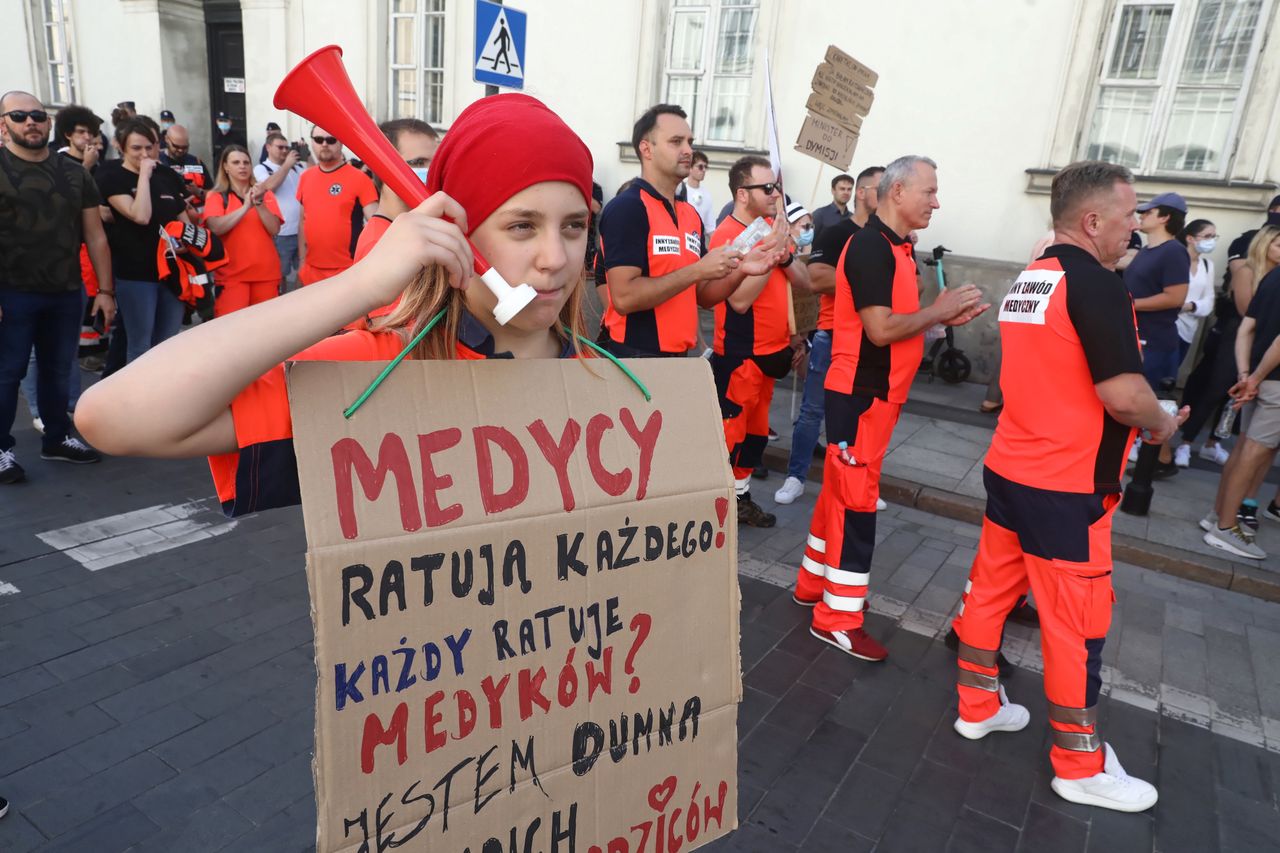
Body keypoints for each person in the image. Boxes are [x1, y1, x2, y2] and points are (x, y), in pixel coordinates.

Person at [74, 93, 604, 519]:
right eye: (521, 226)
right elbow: (111, 417)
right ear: (457, 235)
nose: (555, 258)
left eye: (574, 225)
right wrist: (359, 288)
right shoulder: (378, 370)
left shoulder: (608, 379)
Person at [951, 160, 1177, 813]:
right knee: (1074, 624)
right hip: (1066, 486)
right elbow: (1124, 394)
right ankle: (1079, 765)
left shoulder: (1033, 278)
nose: (1136, 226)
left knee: (990, 593)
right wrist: (1162, 421)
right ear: (1092, 220)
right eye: (1129, 214)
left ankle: (977, 705)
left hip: (1013, 469)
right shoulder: (1098, 287)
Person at [793, 156, 986, 662]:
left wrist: (940, 314)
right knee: (856, 507)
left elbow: (902, 318)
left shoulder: (897, 248)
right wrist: (937, 311)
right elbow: (879, 329)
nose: (937, 202)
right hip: (860, 393)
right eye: (930, 191)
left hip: (874, 394)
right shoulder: (871, 248)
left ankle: (813, 585)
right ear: (897, 192)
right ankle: (836, 619)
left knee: (840, 492)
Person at [596, 104, 774, 359]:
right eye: (676, 141)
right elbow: (624, 298)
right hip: (636, 356)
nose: (688, 150)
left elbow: (702, 295)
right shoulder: (628, 208)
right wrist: (697, 270)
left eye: (689, 142)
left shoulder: (690, 214)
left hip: (679, 356)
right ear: (646, 149)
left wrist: (742, 270)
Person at [0, 91, 114, 482]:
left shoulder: (74, 172)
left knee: (56, 371)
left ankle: (57, 437)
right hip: (11, 291)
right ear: (4, 125)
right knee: (7, 372)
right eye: (19, 115)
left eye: (37, 115)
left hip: (65, 290)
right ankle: (1, 450)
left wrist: (105, 290)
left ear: (49, 124)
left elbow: (95, 235)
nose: (30, 121)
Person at [709, 155, 809, 527]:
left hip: (772, 352)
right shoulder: (726, 236)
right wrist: (769, 254)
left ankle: (741, 498)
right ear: (741, 193)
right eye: (767, 188)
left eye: (777, 187)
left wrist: (782, 257)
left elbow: (804, 281)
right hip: (741, 353)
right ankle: (718, 505)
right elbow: (738, 299)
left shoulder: (772, 227)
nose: (775, 194)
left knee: (755, 438)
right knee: (731, 435)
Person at [775, 165, 883, 505]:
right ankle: (795, 476)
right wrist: (871, 284)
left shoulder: (890, 240)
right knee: (812, 410)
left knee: (864, 415)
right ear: (863, 193)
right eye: (882, 187)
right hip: (833, 335)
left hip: (873, 339)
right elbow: (817, 280)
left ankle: (859, 480)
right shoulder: (836, 233)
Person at [1202, 226, 1280, 559]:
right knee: (1254, 452)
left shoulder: (1273, 278)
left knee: (1245, 447)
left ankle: (1216, 517)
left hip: (1260, 379)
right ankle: (1224, 527)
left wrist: (1248, 374)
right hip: (1273, 381)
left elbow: (1247, 327)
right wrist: (1255, 376)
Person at [95, 117, 191, 363]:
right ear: (122, 148)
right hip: (136, 275)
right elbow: (141, 215)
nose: (144, 153)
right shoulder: (112, 174)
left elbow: (185, 221)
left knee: (168, 342)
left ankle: (164, 396)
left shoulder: (166, 174)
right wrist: (144, 177)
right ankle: (137, 400)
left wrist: (185, 243)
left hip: (171, 273)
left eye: (149, 147)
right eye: (136, 148)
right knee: (140, 347)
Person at [1124, 192, 1189, 477]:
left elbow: (1175, 297)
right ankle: (1161, 460)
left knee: (1149, 400)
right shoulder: (1149, 250)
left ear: (1165, 217)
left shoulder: (1174, 251)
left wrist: (1130, 305)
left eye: (1148, 212)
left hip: (1157, 340)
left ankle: (1159, 460)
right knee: (1142, 399)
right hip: (1139, 335)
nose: (1142, 215)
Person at [202, 145, 282, 316]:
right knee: (232, 332)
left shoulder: (265, 194)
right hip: (231, 276)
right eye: (236, 162)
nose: (242, 166)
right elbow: (216, 227)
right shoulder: (216, 196)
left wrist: (258, 202)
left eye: (246, 162)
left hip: (266, 274)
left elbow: (274, 228)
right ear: (225, 167)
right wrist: (245, 207)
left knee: (267, 331)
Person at [295, 126, 378, 286]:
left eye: (331, 139)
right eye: (319, 140)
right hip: (312, 270)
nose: (324, 144)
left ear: (341, 143)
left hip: (347, 271)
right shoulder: (306, 177)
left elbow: (376, 223)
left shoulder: (359, 178)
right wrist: (302, 260)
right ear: (312, 143)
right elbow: (302, 221)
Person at [254, 132, 306, 293]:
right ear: (268, 147)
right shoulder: (261, 168)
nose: (284, 151)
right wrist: (287, 165)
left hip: (301, 230)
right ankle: (280, 301)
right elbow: (269, 187)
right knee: (279, 274)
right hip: (281, 233)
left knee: (303, 272)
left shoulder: (296, 167)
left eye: (286, 147)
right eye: (280, 147)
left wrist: (307, 154)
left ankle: (299, 301)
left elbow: (314, 172)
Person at [159, 124, 210, 211]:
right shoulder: (157, 161)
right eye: (176, 146)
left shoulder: (196, 162)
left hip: (196, 215)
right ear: (167, 139)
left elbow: (213, 194)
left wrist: (198, 192)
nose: (180, 150)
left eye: (185, 147)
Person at [53, 104, 103, 173]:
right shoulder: (58, 161)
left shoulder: (95, 161)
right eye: (81, 132)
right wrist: (87, 165)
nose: (87, 137)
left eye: (90, 132)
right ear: (68, 135)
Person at [811, 173, 854, 240]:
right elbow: (808, 243)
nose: (846, 192)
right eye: (842, 189)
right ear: (833, 191)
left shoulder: (853, 219)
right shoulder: (819, 214)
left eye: (849, 189)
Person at [682, 150, 715, 232]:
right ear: (690, 168)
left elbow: (710, 227)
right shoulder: (681, 192)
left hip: (699, 240)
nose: (703, 170)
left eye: (705, 167)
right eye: (700, 167)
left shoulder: (707, 195)